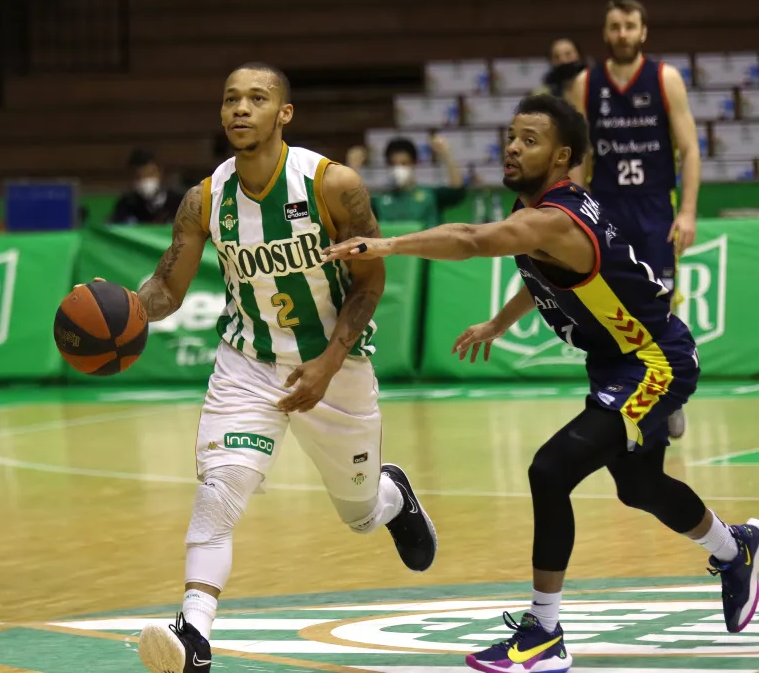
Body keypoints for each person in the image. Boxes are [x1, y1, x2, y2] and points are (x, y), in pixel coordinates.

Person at [325, 94, 759, 673]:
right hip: (617, 364)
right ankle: (737, 549)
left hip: (654, 362)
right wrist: (499, 323)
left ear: (562, 158)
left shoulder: (554, 218)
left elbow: (476, 240)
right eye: (510, 135)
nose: (511, 146)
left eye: (528, 139)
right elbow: (543, 276)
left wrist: (387, 245)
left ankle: (544, 632)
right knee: (639, 487)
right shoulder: (541, 213)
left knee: (549, 470)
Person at [121, 62, 438, 673]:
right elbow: (169, 288)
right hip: (248, 363)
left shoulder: (332, 184)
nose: (241, 108)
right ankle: (193, 637)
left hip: (335, 368)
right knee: (221, 492)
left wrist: (328, 362)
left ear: (283, 114)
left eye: (257, 98)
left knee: (360, 513)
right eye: (231, 98)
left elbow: (371, 283)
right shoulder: (205, 199)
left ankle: (393, 497)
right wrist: (129, 307)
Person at [566, 0, 701, 438]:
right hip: (606, 206)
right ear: (605, 34)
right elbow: (576, 155)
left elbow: (691, 148)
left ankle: (670, 392)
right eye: (615, 26)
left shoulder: (665, 78)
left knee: (657, 301)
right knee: (611, 304)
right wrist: (571, 207)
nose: (622, 33)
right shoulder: (586, 83)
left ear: (643, 32)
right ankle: (624, 388)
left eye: (630, 26)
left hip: (654, 207)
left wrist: (687, 211)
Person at [370, 136, 466, 227]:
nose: (398, 168)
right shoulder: (379, 201)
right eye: (393, 164)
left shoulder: (431, 195)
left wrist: (446, 153)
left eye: (404, 163)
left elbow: (457, 190)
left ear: (414, 163)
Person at [108, 148, 184, 224]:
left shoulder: (179, 202)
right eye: (139, 177)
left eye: (150, 174)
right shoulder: (126, 204)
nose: (146, 180)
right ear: (132, 179)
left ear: (160, 173)